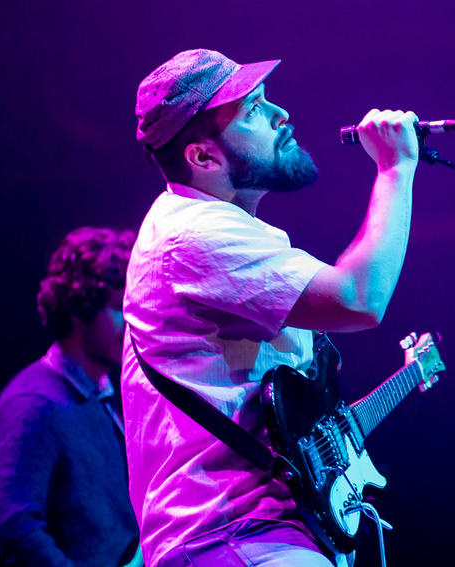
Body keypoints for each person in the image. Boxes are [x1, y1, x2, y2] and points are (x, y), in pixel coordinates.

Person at [122, 49, 419, 567]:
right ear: (204, 158)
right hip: (231, 536)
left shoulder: (224, 230)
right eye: (254, 109)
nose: (281, 114)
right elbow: (360, 300)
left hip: (263, 533)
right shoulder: (194, 233)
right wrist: (396, 168)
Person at [0, 227, 141, 566]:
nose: (131, 322)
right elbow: (11, 527)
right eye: (118, 308)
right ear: (77, 308)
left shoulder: (99, 395)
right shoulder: (33, 404)